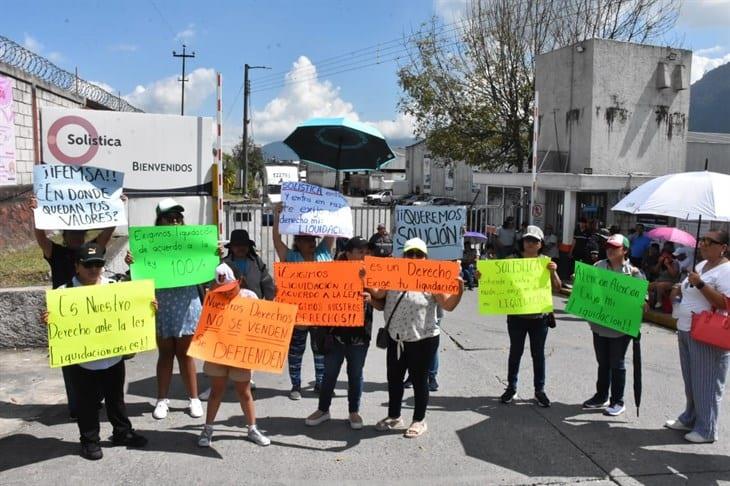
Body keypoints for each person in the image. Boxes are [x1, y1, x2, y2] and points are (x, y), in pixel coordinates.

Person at [46, 243, 149, 460]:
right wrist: (49, 318)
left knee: (116, 398)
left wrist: (148, 307)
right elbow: (56, 323)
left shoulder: (114, 287)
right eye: (88, 265)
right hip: (83, 363)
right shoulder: (63, 295)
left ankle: (122, 433)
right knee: (87, 403)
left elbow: (134, 308)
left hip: (113, 359)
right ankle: (90, 440)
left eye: (98, 264)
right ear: (77, 267)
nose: (94, 269)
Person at [30, 196, 116, 419]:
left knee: (97, 356)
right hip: (67, 316)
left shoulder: (93, 250)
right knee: (71, 364)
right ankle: (77, 405)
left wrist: (118, 206)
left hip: (94, 314)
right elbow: (41, 238)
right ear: (64, 237)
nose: (76, 236)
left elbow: (107, 233)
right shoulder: (56, 253)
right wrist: (36, 213)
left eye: (80, 233)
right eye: (71, 233)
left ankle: (96, 399)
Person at [371, 238, 464, 438]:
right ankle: (394, 416)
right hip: (396, 338)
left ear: (425, 257)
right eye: (409, 254)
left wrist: (460, 289)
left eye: (418, 254)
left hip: (423, 339)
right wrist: (365, 279)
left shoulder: (432, 279)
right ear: (403, 256)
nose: (414, 258)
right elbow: (379, 294)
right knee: (394, 379)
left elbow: (448, 305)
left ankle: (419, 420)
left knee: (420, 380)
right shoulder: (393, 275)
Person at [126, 198, 204, 419]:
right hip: (162, 303)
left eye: (179, 218)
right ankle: (162, 400)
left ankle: (194, 399)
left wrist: (214, 252)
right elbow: (139, 273)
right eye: (170, 218)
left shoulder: (192, 241)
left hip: (187, 302)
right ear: (159, 221)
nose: (176, 222)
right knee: (166, 353)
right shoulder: (149, 244)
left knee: (186, 354)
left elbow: (208, 265)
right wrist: (132, 261)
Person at [666, 230, 730, 443]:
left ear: (723, 247)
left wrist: (700, 284)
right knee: (692, 379)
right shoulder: (702, 266)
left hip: (708, 334)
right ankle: (690, 416)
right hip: (686, 328)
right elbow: (689, 289)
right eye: (702, 240)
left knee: (707, 382)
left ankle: (707, 428)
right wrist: (678, 288)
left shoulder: (726, 270)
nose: (702, 244)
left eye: (709, 242)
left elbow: (724, 303)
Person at [197, 264, 270, 447]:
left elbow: (259, 324)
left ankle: (252, 428)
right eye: (222, 289)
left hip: (241, 353)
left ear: (239, 281)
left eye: (230, 288)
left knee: (244, 392)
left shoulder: (249, 297)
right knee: (216, 391)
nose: (226, 292)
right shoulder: (212, 298)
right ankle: (208, 428)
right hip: (218, 352)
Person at [305, 237, 373, 430]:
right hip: (334, 334)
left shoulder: (372, 272)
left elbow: (382, 299)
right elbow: (318, 293)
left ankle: (354, 412)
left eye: (366, 252)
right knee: (329, 374)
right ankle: (323, 410)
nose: (364, 255)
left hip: (360, 334)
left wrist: (371, 296)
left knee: (355, 374)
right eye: (360, 252)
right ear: (349, 253)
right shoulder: (332, 270)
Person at [272, 202, 334, 400]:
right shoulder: (290, 257)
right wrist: (276, 216)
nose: (312, 242)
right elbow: (276, 239)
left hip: (320, 315)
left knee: (321, 352)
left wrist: (331, 212)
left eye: (313, 239)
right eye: (306, 239)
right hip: (297, 317)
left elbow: (332, 232)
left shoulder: (323, 252)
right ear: (297, 241)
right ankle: (296, 386)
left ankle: (321, 384)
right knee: (296, 352)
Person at [582, 234, 645, 416]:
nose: (609, 250)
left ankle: (618, 401)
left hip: (619, 328)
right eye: (608, 246)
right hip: (598, 325)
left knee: (616, 363)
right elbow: (589, 291)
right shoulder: (597, 267)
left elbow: (642, 301)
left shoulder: (633, 273)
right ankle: (602, 396)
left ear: (624, 250)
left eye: (615, 247)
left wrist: (641, 302)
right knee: (603, 362)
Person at [499, 226, 562, 407]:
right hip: (517, 317)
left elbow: (557, 287)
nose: (530, 243)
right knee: (515, 352)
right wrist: (482, 276)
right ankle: (511, 387)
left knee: (538, 355)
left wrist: (553, 271)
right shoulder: (512, 260)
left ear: (541, 244)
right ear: (523, 242)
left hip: (539, 318)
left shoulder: (545, 262)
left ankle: (539, 390)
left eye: (534, 241)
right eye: (528, 240)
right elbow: (497, 279)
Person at [221, 229, 275, 300]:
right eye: (237, 245)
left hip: (255, 306)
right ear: (231, 247)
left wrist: (271, 302)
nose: (241, 248)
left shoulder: (257, 261)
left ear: (249, 246)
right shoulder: (224, 265)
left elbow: (267, 283)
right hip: (232, 307)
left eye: (244, 245)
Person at [648, 244, 680, 310]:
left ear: (670, 254)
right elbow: (655, 271)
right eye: (663, 254)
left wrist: (668, 265)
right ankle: (650, 303)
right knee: (648, 286)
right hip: (660, 280)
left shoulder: (675, 262)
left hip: (671, 282)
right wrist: (659, 263)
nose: (663, 256)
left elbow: (673, 274)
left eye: (665, 254)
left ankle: (659, 302)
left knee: (660, 285)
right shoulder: (661, 261)